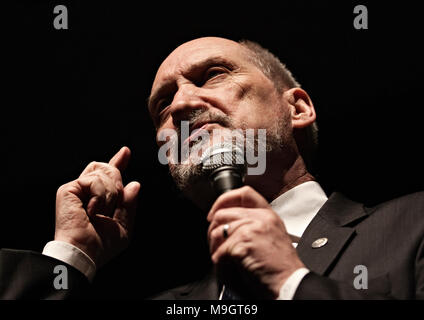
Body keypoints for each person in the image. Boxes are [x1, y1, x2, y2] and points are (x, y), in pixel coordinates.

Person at [1, 37, 423, 300]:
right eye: (163, 105)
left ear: (296, 108)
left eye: (213, 75)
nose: (182, 105)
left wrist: (291, 284)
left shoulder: (414, 225)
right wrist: (73, 257)